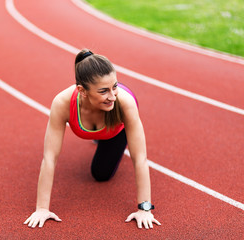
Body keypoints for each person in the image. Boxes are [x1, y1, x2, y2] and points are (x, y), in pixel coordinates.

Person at [24, 49, 161, 229]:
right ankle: (98, 137)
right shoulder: (62, 103)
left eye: (115, 86)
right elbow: (49, 158)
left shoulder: (124, 102)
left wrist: (144, 208)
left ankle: (104, 138)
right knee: (99, 166)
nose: (112, 96)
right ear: (82, 91)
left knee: (100, 174)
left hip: (115, 130)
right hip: (93, 117)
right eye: (104, 91)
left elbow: (140, 158)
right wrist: (42, 208)